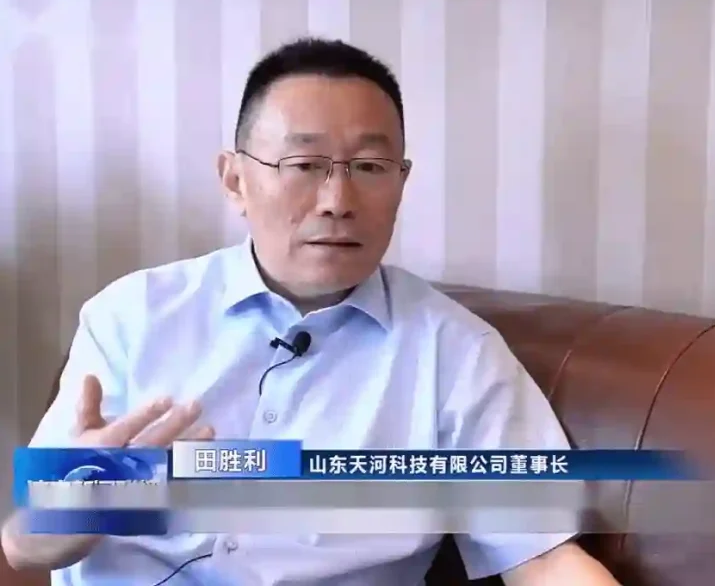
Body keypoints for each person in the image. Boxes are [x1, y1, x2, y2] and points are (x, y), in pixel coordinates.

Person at [2, 38, 620, 585]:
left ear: (401, 182)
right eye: (303, 165)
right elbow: (22, 546)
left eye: (370, 167)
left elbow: (543, 560)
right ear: (235, 180)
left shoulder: (456, 355)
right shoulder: (132, 316)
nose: (337, 200)